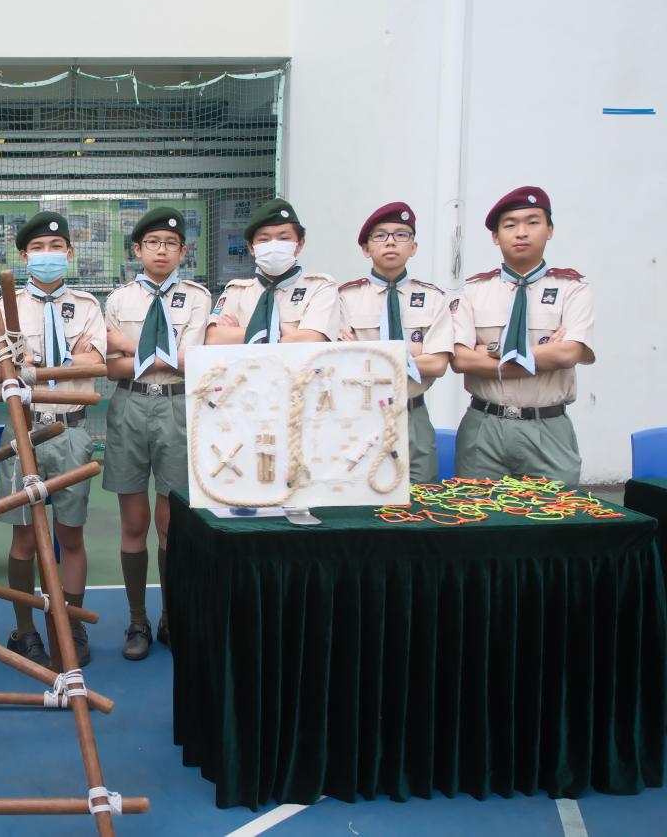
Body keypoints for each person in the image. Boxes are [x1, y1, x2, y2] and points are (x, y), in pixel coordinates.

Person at [0, 212, 106, 668]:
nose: (47, 255)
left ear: (69, 253)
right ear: (24, 256)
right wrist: (61, 360)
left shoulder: (88, 305)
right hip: (25, 428)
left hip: (73, 429)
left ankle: (69, 622)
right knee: (23, 539)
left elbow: (94, 361)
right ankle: (24, 629)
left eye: (56, 248)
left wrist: (35, 363)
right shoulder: (6, 307)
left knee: (70, 535)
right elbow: (4, 364)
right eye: (38, 249)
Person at [103, 206, 211, 660]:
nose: (161, 250)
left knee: (171, 525)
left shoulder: (198, 298)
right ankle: (137, 620)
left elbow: (196, 360)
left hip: (178, 407)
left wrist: (134, 349)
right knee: (134, 524)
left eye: (170, 243)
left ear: (183, 251)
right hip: (130, 404)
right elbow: (112, 368)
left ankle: (171, 615)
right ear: (137, 250)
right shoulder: (119, 300)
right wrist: (168, 355)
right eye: (152, 243)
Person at [450, 186, 594, 486]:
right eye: (510, 225)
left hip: (547, 427)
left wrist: (491, 352)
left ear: (550, 230)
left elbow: (569, 353)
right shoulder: (473, 292)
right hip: (484, 427)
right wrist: (540, 356)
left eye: (533, 222)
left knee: (554, 512)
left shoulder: (572, 289)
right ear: (495, 236)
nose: (521, 232)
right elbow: (461, 360)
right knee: (476, 512)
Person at [337, 202, 453, 483]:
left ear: (413, 247)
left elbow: (438, 364)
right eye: (380, 235)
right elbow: (339, 362)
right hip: (360, 416)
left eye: (401, 235)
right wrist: (414, 358)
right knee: (357, 493)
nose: (390, 242)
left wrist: (365, 354)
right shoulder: (345, 299)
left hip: (412, 414)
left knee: (421, 495)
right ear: (366, 249)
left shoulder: (433, 299)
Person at [205, 198, 337, 346]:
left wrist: (242, 334)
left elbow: (313, 340)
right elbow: (213, 339)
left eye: (284, 238)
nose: (274, 245)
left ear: (299, 244)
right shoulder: (236, 292)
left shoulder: (320, 288)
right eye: (264, 239)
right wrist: (285, 331)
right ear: (251, 247)